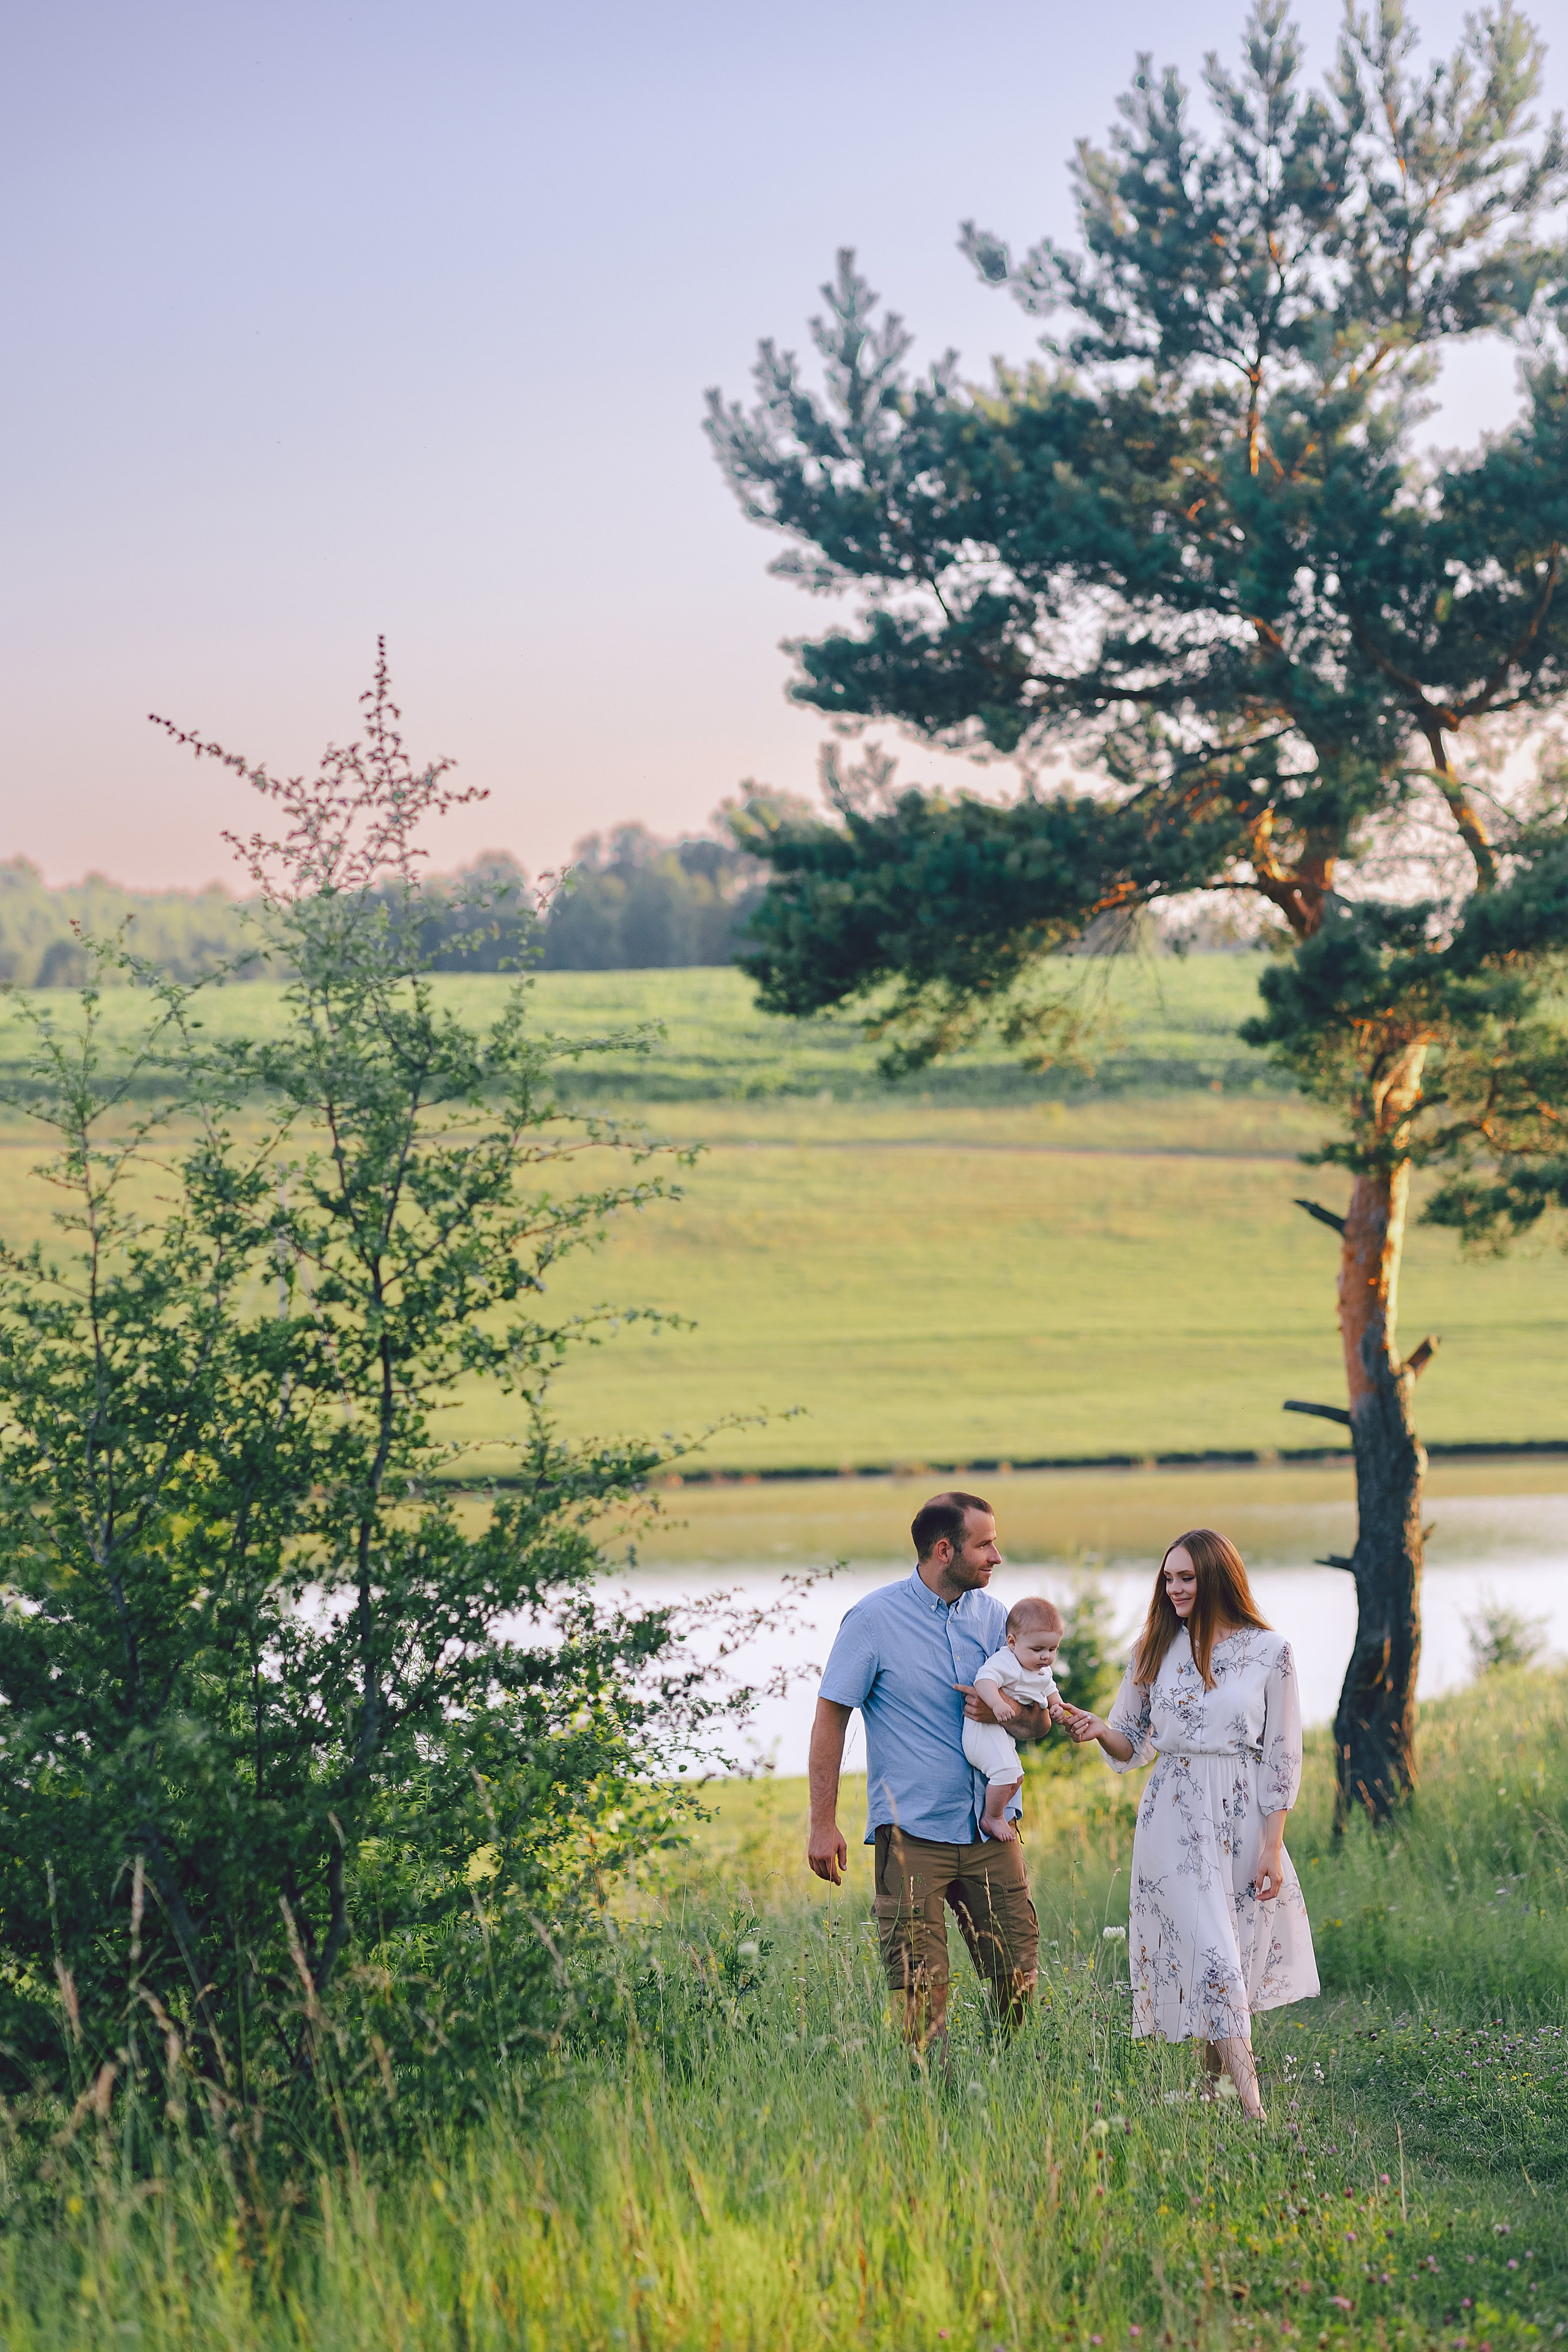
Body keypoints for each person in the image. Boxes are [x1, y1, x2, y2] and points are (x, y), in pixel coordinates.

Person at [1061, 1527, 1319, 2120]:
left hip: (1243, 1815)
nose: (1174, 1589)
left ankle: (1212, 2094)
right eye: (1168, 1578)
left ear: (1217, 1578)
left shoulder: (1270, 1651)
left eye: (1187, 1578)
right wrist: (1098, 1730)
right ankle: (1255, 2115)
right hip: (1173, 1816)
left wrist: (1272, 1846)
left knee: (1232, 1957)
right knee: (1214, 1957)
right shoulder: (1154, 1646)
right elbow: (1131, 1742)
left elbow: (1283, 1755)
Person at [807, 1490, 1052, 2058]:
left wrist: (1007, 1714)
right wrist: (822, 1823)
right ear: (945, 1550)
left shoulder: (999, 1621)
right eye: (984, 1545)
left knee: (1019, 1975)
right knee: (920, 1990)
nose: (997, 1556)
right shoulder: (873, 1620)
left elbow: (1037, 1723)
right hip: (911, 1836)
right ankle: (932, 2095)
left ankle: (1002, 2075)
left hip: (991, 1832)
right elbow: (830, 1719)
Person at [963, 1597, 1067, 1842]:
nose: (1046, 1657)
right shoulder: (1006, 1662)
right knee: (1006, 1773)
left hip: (1001, 1734)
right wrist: (997, 1704)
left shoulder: (1040, 1669)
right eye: (1038, 1650)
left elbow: (1050, 1688)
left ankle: (995, 1812)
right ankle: (992, 1817)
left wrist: (1058, 1707)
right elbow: (984, 1680)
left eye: (1052, 1650)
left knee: (1017, 1777)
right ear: (1012, 1642)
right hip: (981, 1732)